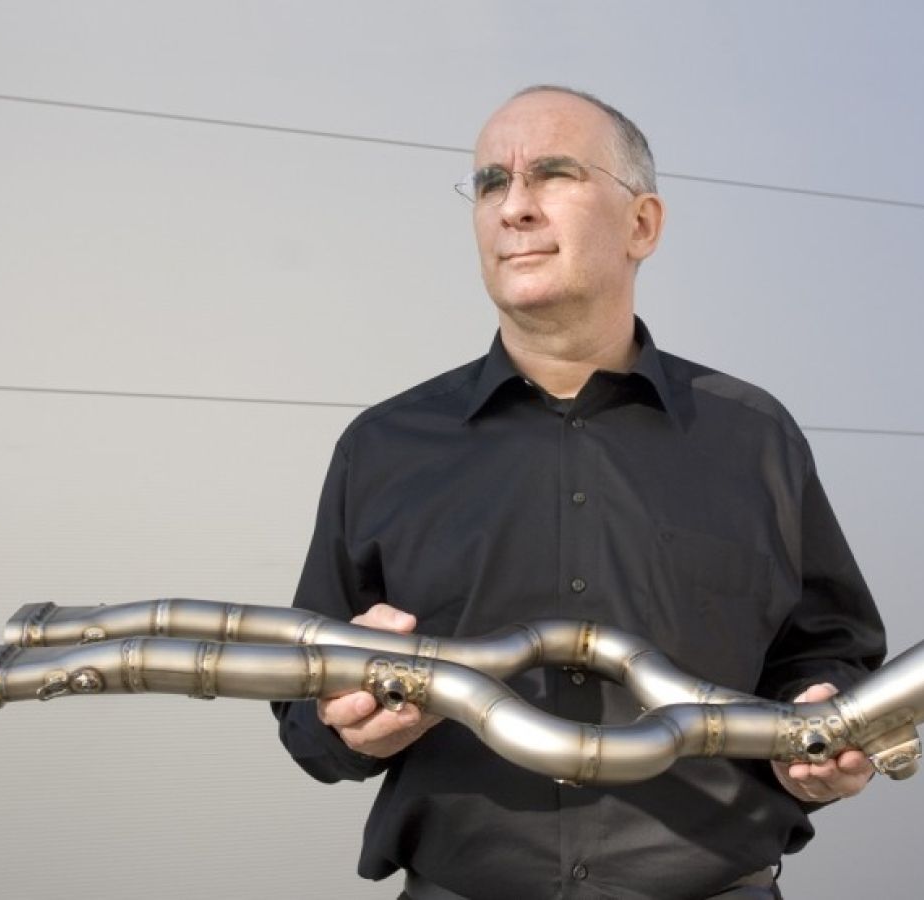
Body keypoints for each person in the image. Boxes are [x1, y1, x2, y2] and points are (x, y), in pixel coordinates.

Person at [273, 86, 886, 900]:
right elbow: (301, 710)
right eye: (491, 183)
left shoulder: (753, 436)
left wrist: (827, 725)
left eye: (553, 174)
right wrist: (344, 723)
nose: (513, 207)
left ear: (643, 225)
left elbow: (829, 651)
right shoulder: (383, 448)